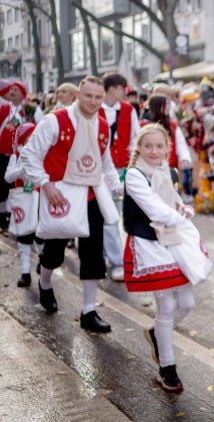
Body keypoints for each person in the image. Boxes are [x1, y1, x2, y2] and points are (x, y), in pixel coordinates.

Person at [20, 76, 122, 332]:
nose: (93, 101)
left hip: (90, 195)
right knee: (53, 253)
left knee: (93, 254)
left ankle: (88, 311)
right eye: (88, 96)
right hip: (60, 195)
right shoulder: (55, 120)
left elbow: (105, 162)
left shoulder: (102, 125)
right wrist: (46, 184)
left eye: (98, 97)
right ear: (78, 93)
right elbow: (30, 154)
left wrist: (119, 187)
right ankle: (45, 283)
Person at [122, 123, 207, 392]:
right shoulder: (134, 175)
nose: (154, 151)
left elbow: (172, 199)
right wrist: (178, 215)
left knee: (187, 302)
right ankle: (167, 368)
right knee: (166, 307)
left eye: (160, 146)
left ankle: (157, 335)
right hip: (150, 242)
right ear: (139, 148)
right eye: (148, 146)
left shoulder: (169, 171)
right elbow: (154, 207)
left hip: (172, 239)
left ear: (167, 148)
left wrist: (183, 207)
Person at [99, 72, 140, 282]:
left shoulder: (127, 109)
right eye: (123, 88)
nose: (125, 92)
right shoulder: (96, 108)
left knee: (113, 213)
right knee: (103, 214)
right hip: (99, 171)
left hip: (121, 170)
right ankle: (109, 257)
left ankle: (114, 260)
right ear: (113, 88)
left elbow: (136, 137)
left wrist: (132, 167)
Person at [0, 81, 43, 231]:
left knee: (20, 186)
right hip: (3, 153)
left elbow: (40, 127)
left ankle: (21, 218)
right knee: (3, 186)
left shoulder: (30, 109)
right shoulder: (4, 108)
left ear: (23, 93)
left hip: (22, 154)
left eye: (16, 90)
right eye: (11, 89)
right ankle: (3, 218)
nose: (12, 92)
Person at [4, 123, 38, 287]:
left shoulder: (42, 154)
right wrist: (21, 169)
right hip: (22, 198)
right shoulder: (15, 156)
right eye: (29, 138)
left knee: (40, 233)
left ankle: (43, 261)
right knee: (24, 236)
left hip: (39, 198)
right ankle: (25, 272)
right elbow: (8, 178)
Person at [143, 94, 192, 171]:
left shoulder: (172, 125)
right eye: (165, 104)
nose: (168, 106)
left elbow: (180, 143)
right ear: (157, 106)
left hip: (170, 167)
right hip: (149, 168)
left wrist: (184, 157)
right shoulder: (144, 126)